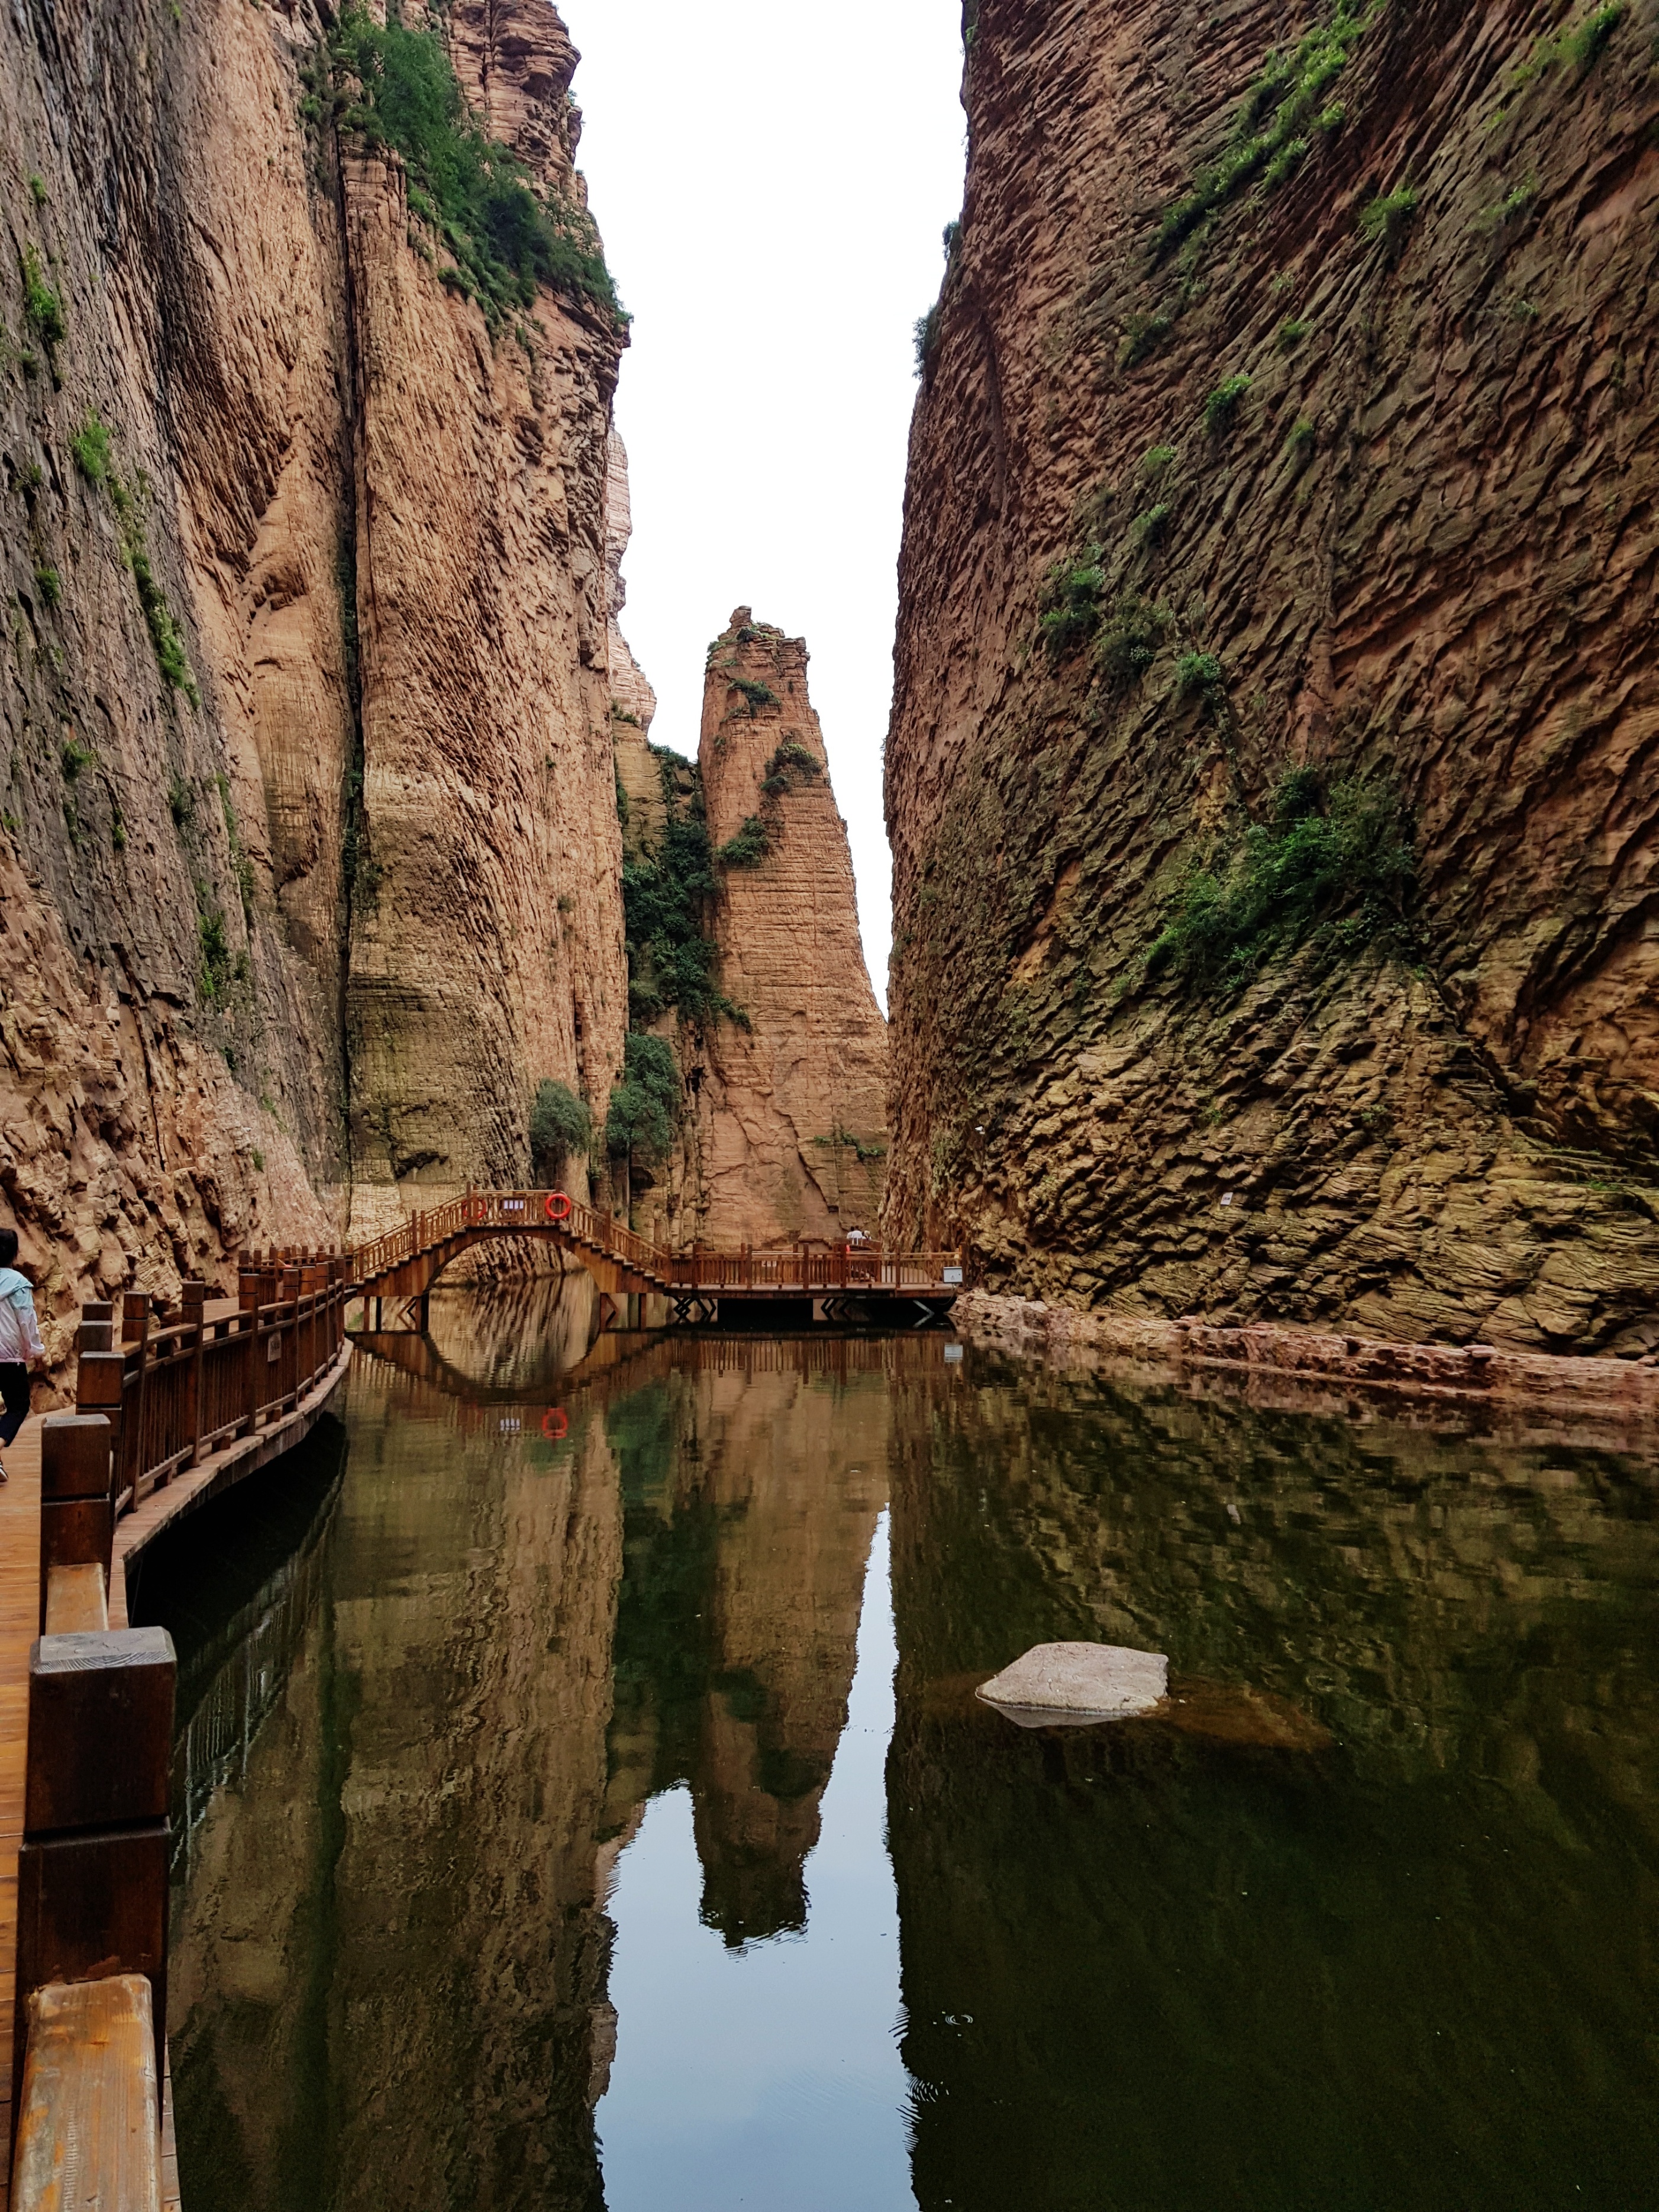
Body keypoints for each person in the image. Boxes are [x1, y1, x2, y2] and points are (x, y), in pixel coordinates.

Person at [0, 1227, 46, 1482]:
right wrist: (35, 1351)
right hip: (9, 1356)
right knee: (18, 1406)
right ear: (15, 1253)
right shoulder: (17, 1284)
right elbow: (26, 1321)